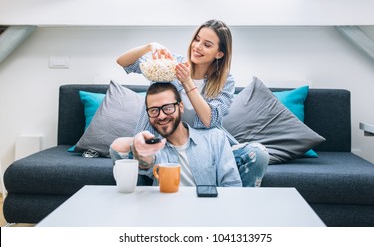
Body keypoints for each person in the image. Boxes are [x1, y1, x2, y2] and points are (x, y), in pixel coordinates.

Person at [115, 19, 269, 187]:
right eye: (197, 39)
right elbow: (124, 62)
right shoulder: (172, 63)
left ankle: (237, 204)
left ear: (219, 53)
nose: (197, 46)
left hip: (204, 147)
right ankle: (144, 198)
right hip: (163, 143)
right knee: (120, 150)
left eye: (207, 44)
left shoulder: (225, 81)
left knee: (258, 154)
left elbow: (210, 119)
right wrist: (150, 46)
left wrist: (187, 81)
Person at [110, 82, 242, 187]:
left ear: (181, 107)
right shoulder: (155, 147)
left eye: (167, 108)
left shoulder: (215, 137)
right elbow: (137, 158)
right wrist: (137, 143)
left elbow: (232, 185)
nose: (161, 116)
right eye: (154, 110)